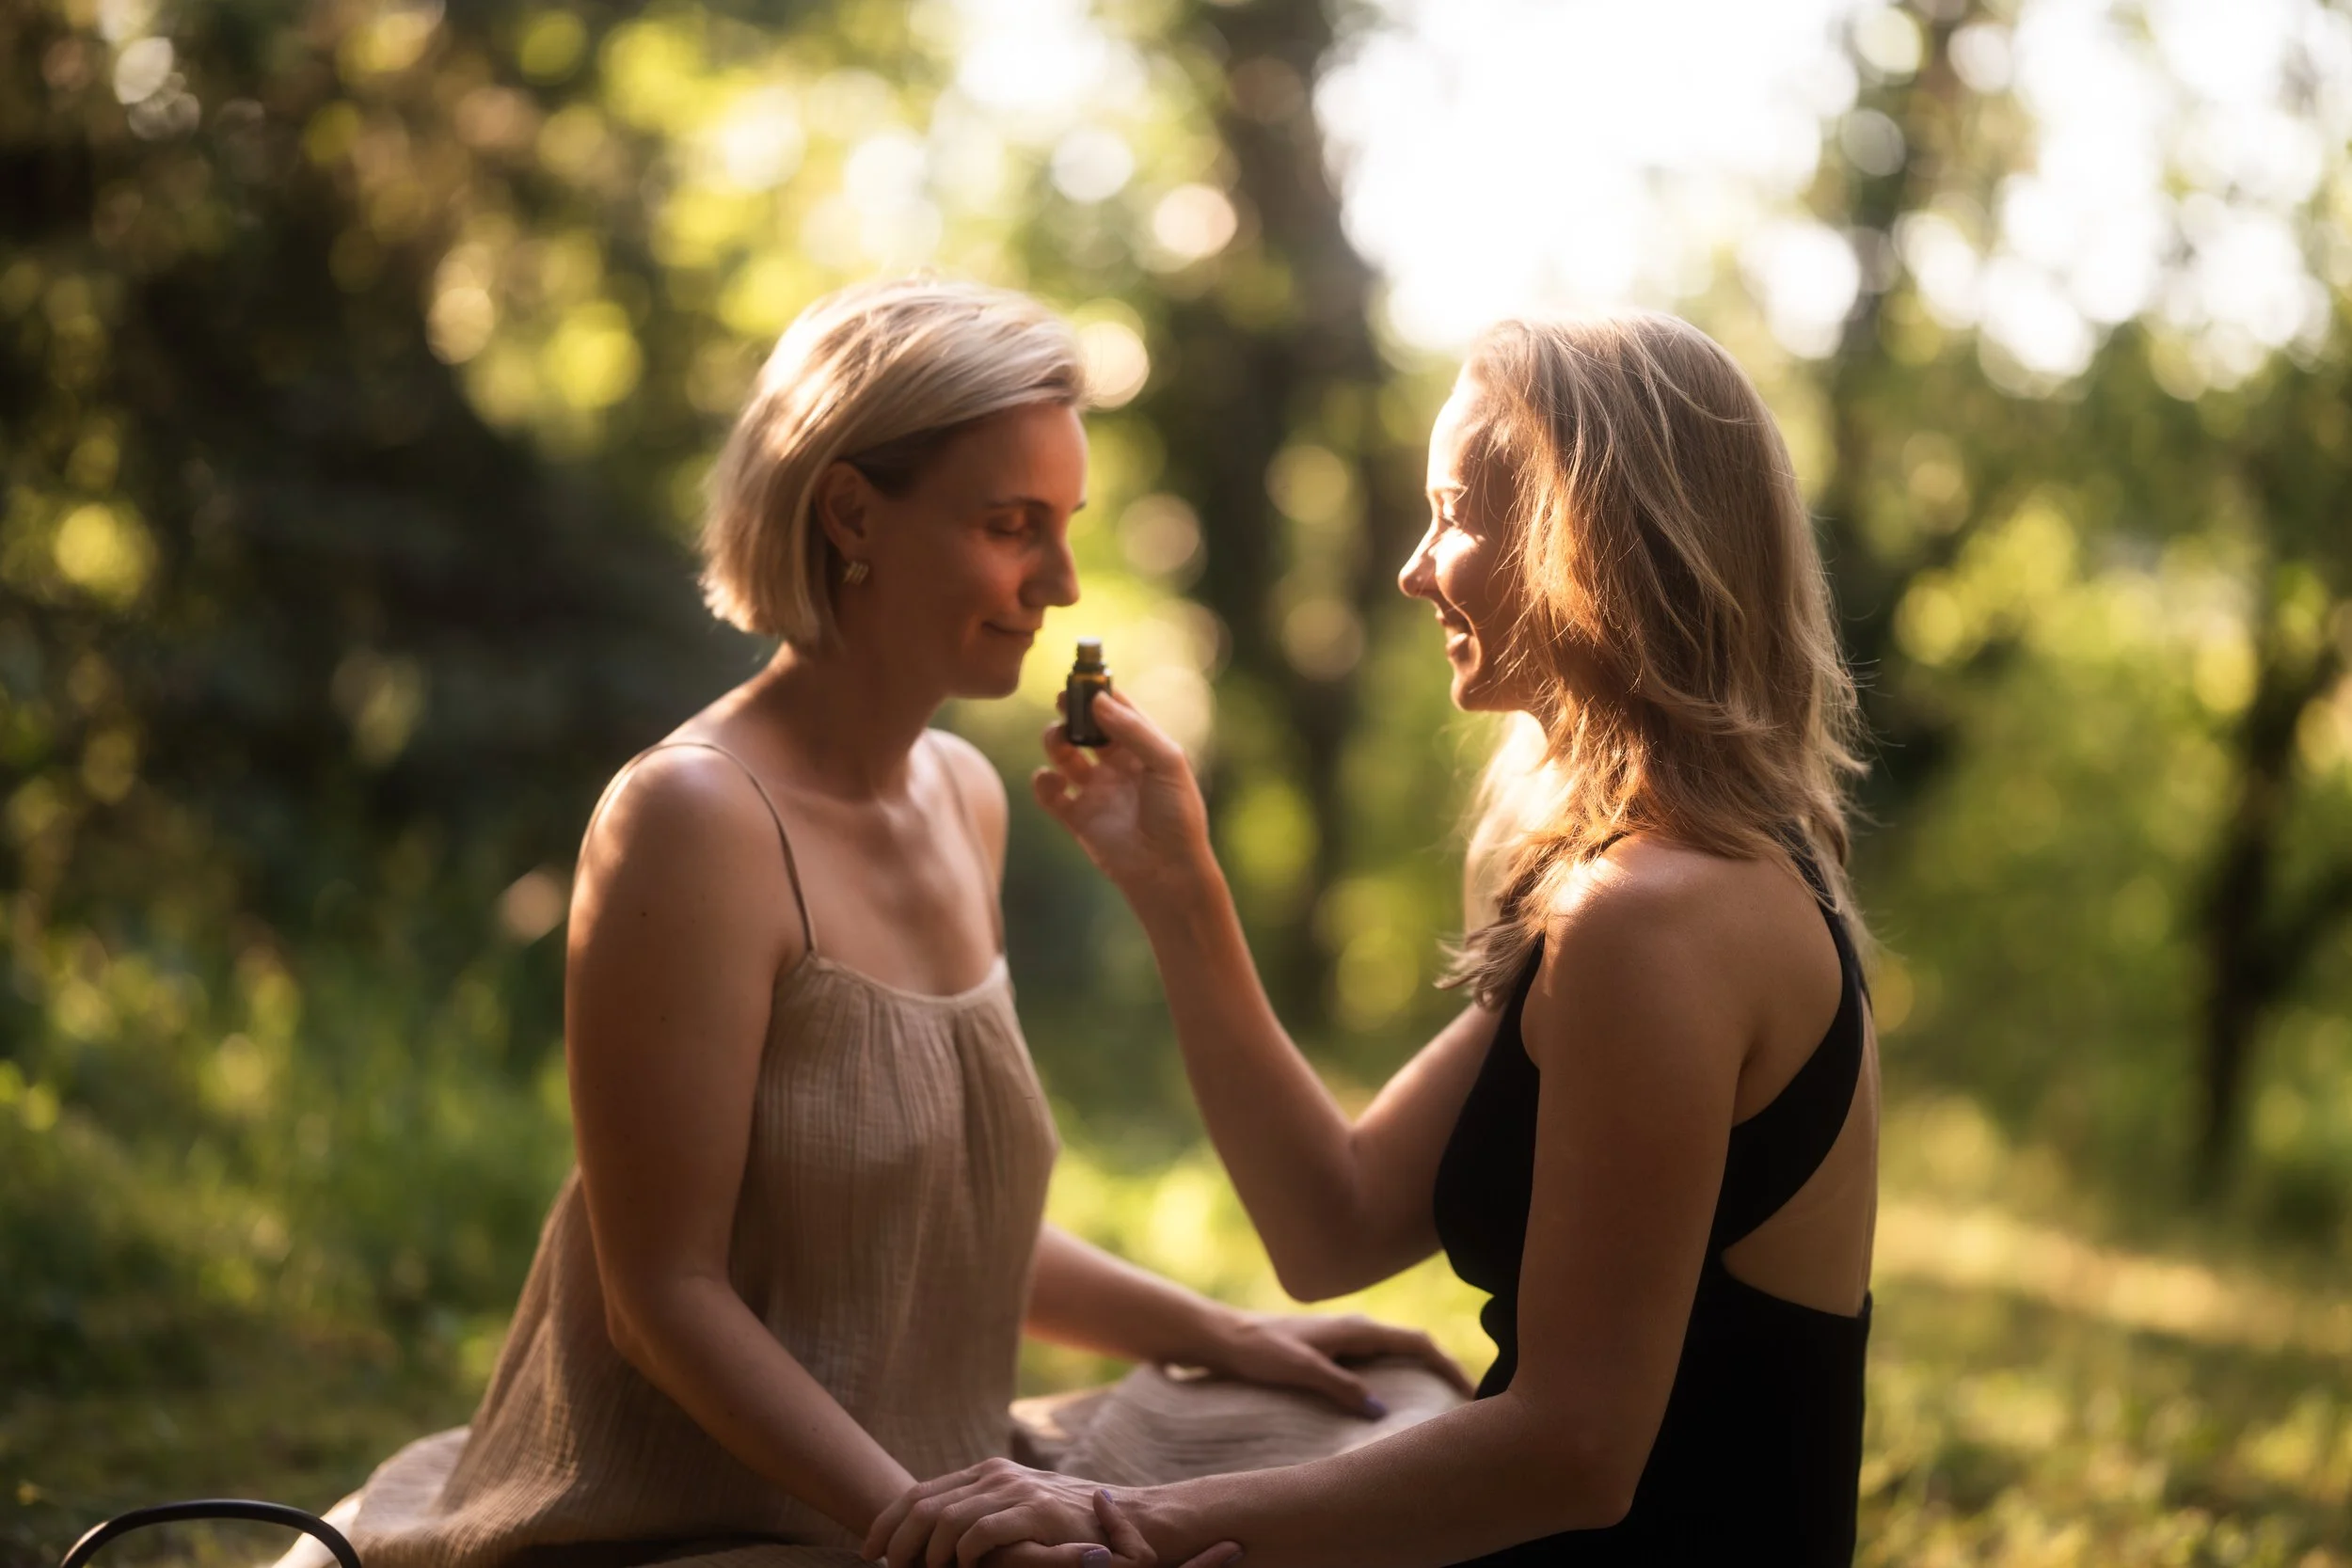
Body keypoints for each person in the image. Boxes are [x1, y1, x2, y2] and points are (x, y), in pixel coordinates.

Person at [275, 277, 1464, 1568]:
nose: (1058, 582)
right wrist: (950, 1540)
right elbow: (659, 1300)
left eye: (1065, 527)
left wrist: (1224, 1333)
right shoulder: (691, 818)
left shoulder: (964, 795)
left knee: (1399, 1420)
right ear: (852, 513)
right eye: (1013, 526)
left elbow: (932, 1235)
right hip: (724, 1512)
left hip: (953, 1472)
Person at [867, 309, 1879, 1568]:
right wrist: (1177, 883)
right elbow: (1331, 1222)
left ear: (1589, 538)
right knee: (1219, 1404)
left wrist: (1128, 1523)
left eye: (1457, 509)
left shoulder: (1660, 917)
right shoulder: (1640, 883)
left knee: (1061, 1495)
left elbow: (1573, 1450)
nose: (1414, 565)